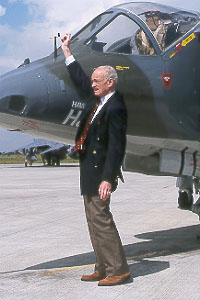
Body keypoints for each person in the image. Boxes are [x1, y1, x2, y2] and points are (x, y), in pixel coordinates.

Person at [61, 33, 130, 286]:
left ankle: (119, 269)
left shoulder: (115, 107)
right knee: (93, 221)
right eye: (93, 81)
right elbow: (80, 81)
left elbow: (116, 145)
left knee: (101, 219)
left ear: (110, 82)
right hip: (89, 170)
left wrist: (108, 178)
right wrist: (67, 52)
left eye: (98, 81)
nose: (93, 85)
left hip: (100, 172)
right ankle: (102, 266)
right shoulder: (98, 102)